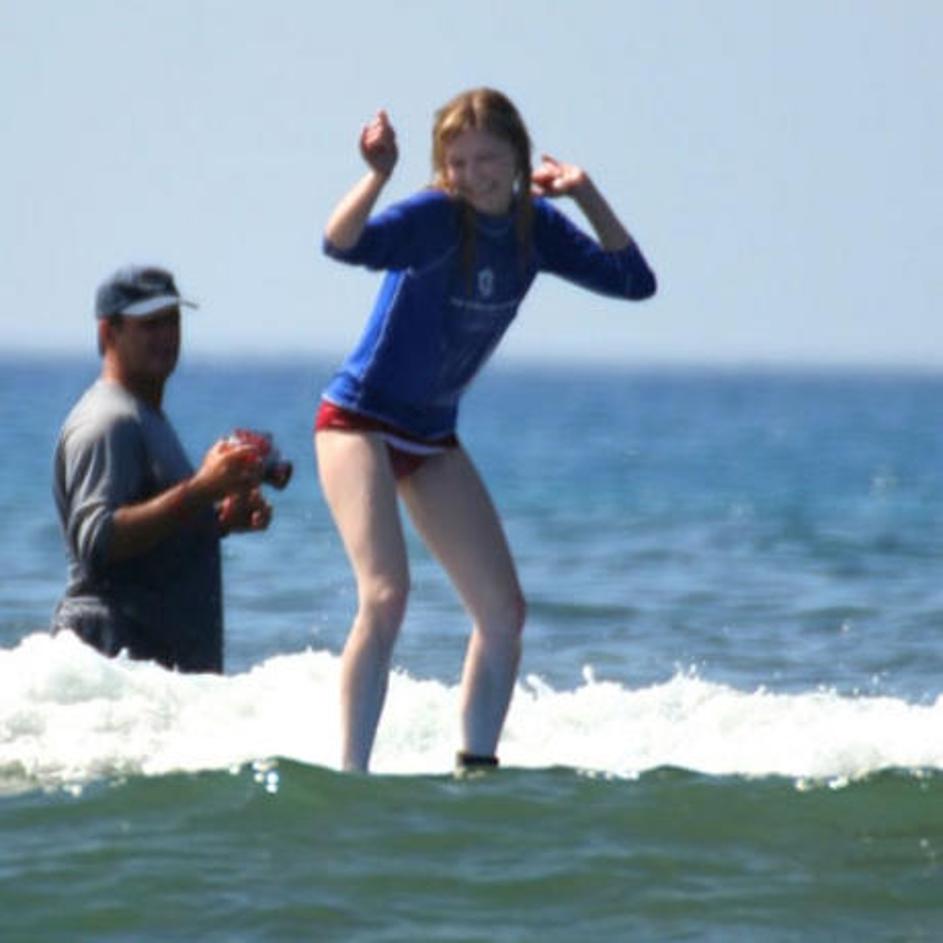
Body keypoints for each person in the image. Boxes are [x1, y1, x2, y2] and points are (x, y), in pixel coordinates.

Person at [316, 87, 657, 772]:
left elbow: (633, 281)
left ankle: (475, 770)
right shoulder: (435, 217)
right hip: (357, 420)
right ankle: (351, 777)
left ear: (519, 158)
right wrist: (377, 175)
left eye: (488, 159)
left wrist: (585, 193)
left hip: (430, 435)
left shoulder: (536, 228)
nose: (473, 176)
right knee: (386, 594)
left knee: (504, 613)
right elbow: (342, 243)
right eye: (458, 162)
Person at [52, 265, 273, 673]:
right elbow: (99, 543)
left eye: (172, 321)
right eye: (150, 324)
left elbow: (145, 548)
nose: (167, 336)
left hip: (155, 675)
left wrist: (217, 521)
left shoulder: (145, 415)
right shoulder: (107, 421)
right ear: (109, 332)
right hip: (114, 661)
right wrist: (201, 490)